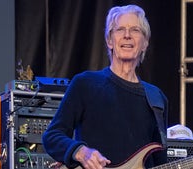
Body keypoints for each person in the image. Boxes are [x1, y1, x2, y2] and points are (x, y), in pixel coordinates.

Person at [42, 4, 168, 169]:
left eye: (135, 30)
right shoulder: (86, 84)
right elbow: (51, 136)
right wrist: (80, 151)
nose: (127, 35)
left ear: (145, 43)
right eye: (120, 29)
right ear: (109, 40)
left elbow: (159, 161)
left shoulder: (157, 98)